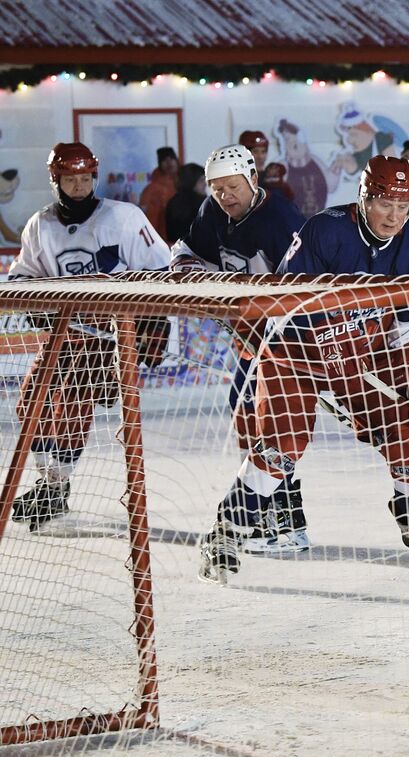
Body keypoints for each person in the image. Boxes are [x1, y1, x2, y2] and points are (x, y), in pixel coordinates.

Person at [197, 155, 409, 582]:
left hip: (361, 357)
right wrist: (328, 345)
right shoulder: (325, 230)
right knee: (280, 445)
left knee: (405, 425)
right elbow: (288, 306)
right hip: (295, 356)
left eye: (403, 208)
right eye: (385, 205)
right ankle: (227, 532)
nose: (393, 217)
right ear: (364, 198)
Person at [9, 143, 172, 531]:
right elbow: (21, 276)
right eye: (70, 179)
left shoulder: (124, 217)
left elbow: (161, 270)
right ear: (56, 181)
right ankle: (52, 485)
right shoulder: (40, 224)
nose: (79, 186)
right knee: (29, 403)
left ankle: (54, 487)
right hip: (64, 333)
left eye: (85, 178)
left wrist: (154, 327)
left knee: (72, 409)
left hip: (110, 336)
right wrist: (31, 302)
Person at [171, 144, 308, 554]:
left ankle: (289, 526)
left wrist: (281, 336)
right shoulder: (214, 211)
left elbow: (303, 287)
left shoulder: (280, 219)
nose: (224, 196)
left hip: (288, 345)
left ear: (251, 179)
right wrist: (188, 269)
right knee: (247, 419)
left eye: (232, 186)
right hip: (250, 341)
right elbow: (188, 251)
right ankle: (271, 516)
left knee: (275, 429)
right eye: (216, 189)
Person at [240, 130, 294, 204]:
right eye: (255, 151)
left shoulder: (272, 176)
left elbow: (289, 201)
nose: (260, 156)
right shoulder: (239, 179)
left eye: (263, 151)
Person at [137, 146, 180, 240]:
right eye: (164, 159)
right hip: (160, 240)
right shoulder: (151, 189)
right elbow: (145, 219)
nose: (169, 162)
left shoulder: (187, 183)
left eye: (171, 158)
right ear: (159, 163)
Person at [163, 162, 205, 243]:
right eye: (201, 180)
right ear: (191, 181)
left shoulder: (173, 201)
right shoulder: (201, 203)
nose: (205, 184)